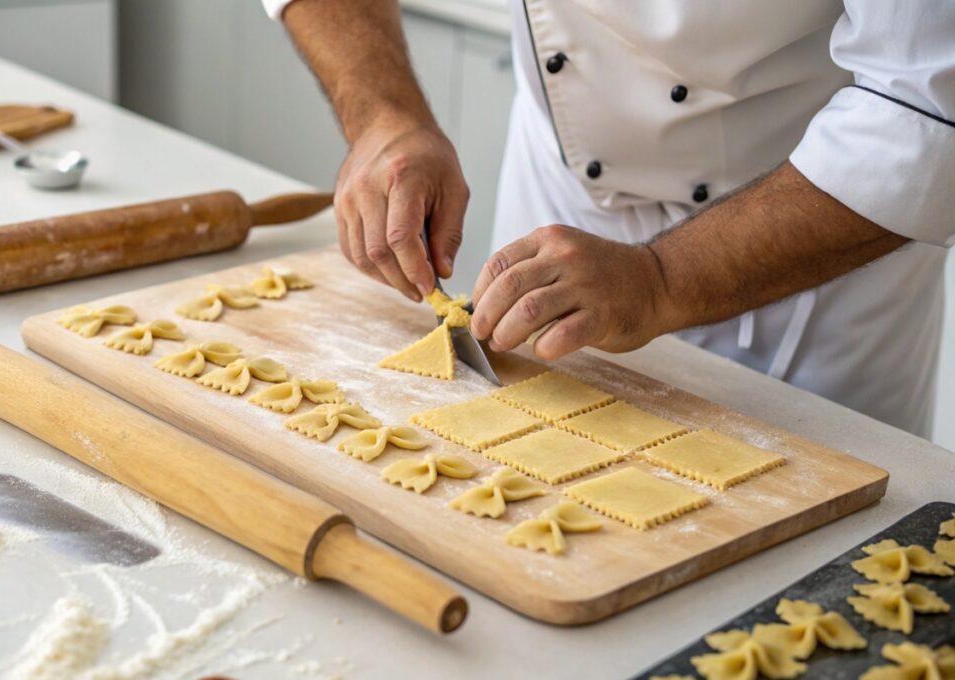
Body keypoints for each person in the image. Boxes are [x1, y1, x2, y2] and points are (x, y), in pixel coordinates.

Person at [264, 0, 954, 437]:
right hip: (559, 192)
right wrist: (384, 113)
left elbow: (921, 105)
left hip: (809, 244)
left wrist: (659, 279)